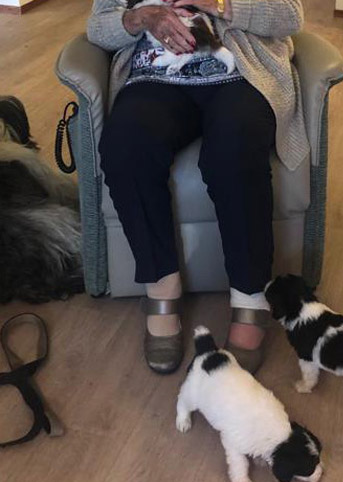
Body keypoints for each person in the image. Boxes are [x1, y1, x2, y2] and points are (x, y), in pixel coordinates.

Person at [87, 0, 309, 375]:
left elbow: (290, 15)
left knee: (235, 148)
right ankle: (161, 290)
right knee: (125, 146)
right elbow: (98, 28)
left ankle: (250, 297)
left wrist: (218, 4)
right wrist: (142, 18)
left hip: (240, 75)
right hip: (155, 78)